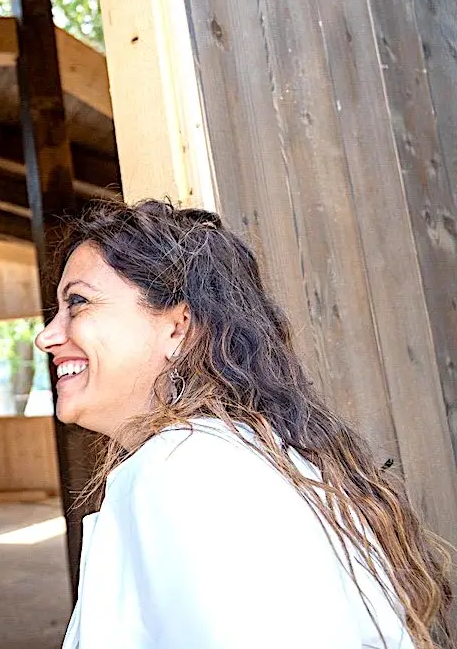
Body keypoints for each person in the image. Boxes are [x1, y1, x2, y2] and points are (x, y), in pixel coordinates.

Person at [34, 200, 451, 649]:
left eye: (78, 303)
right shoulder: (226, 455)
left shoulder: (187, 468)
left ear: (178, 328)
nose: (46, 336)